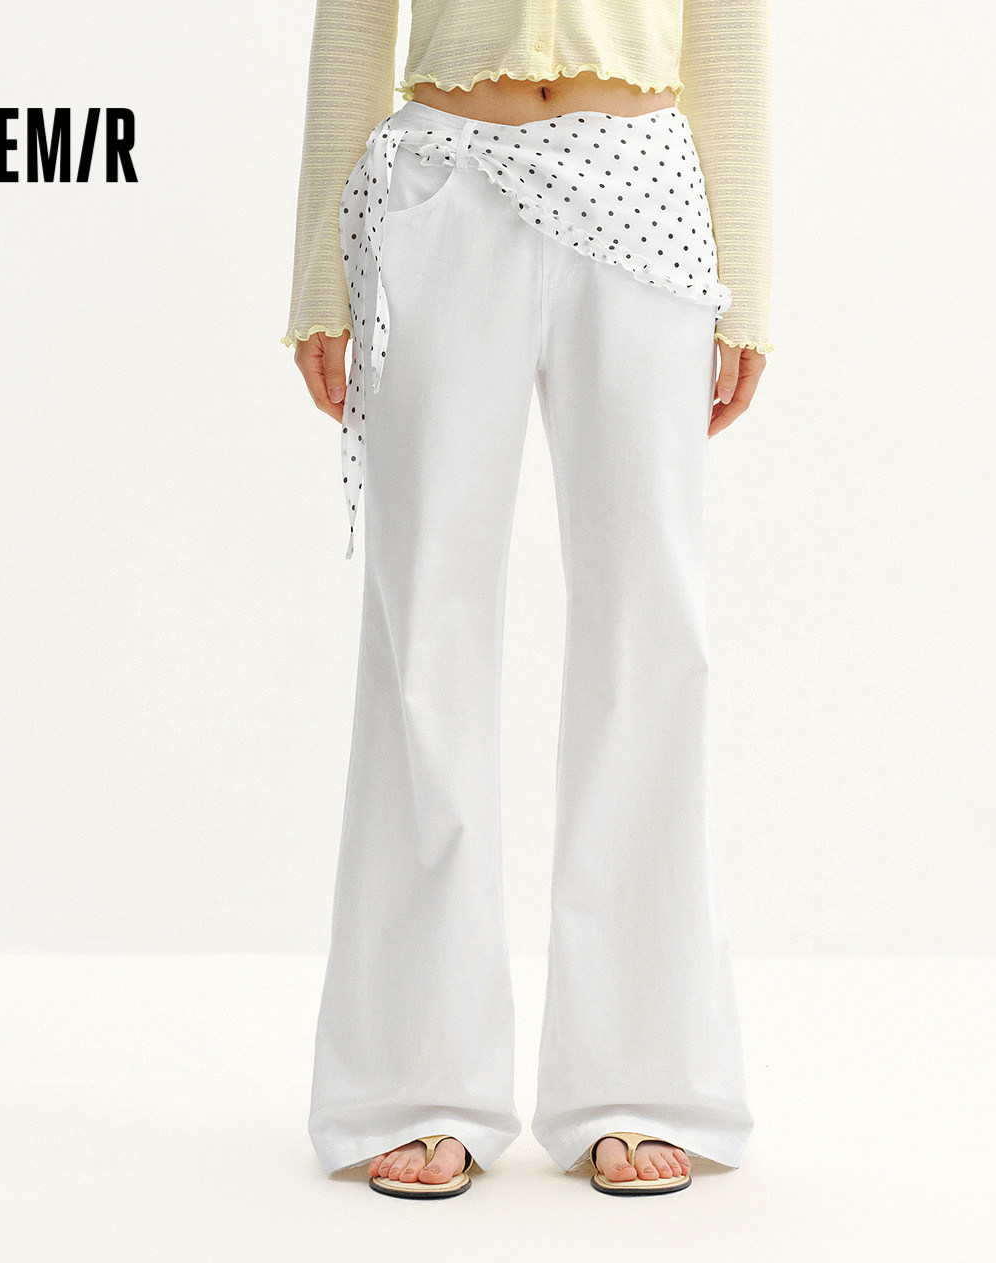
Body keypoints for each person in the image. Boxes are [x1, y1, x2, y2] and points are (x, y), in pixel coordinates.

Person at [282, 0, 773, 1198]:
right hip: (441, 189)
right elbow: (353, 21)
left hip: (641, 188)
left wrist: (748, 282)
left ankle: (639, 1077)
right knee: (423, 634)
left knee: (649, 632)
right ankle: (416, 1079)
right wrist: (317, 276)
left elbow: (727, 25)